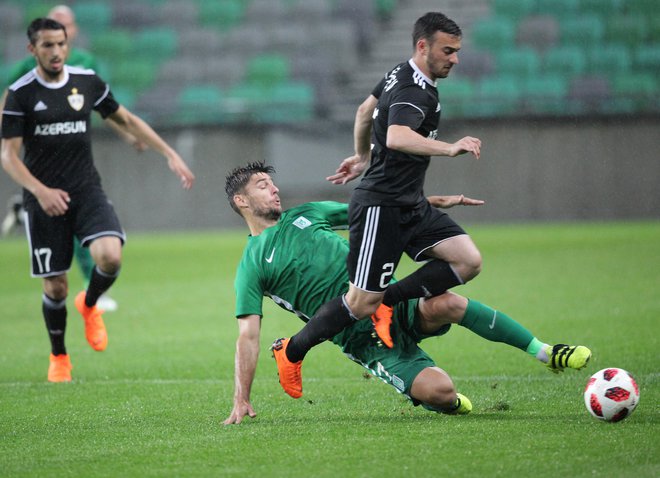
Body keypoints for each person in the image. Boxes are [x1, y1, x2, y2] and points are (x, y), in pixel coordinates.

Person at [223, 162, 591, 423]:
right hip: (362, 338)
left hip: (393, 302)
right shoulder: (252, 264)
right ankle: (433, 399)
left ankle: (545, 352)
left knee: (448, 302)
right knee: (443, 394)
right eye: (261, 185)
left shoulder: (307, 213)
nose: (273, 188)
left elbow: (375, 210)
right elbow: (247, 335)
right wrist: (242, 398)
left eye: (271, 183)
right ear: (241, 202)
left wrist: (429, 203)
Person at [270, 12, 489, 397]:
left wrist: (360, 156)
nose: (454, 59)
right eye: (448, 51)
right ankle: (292, 349)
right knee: (359, 302)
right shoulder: (413, 91)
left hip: (410, 204)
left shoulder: (399, 72)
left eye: (457, 51)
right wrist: (449, 147)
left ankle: (388, 300)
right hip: (381, 207)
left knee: (467, 260)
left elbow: (362, 111)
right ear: (423, 47)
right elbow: (399, 136)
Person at [1, 18, 195, 382]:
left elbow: (126, 119)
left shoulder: (86, 81)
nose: (56, 52)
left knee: (110, 256)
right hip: (43, 199)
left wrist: (168, 152)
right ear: (33, 50)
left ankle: (89, 305)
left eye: (60, 44)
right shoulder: (20, 93)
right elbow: (8, 156)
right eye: (47, 46)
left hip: (86, 189)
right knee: (55, 285)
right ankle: (59, 356)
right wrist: (40, 191)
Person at [0, 5, 146, 312]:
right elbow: (9, 102)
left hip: (79, 151)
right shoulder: (26, 70)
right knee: (64, 246)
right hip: (43, 156)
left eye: (63, 30)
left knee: (92, 229)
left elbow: (107, 108)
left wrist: (129, 135)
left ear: (73, 32)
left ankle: (90, 292)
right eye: (49, 38)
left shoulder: (86, 66)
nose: (55, 47)